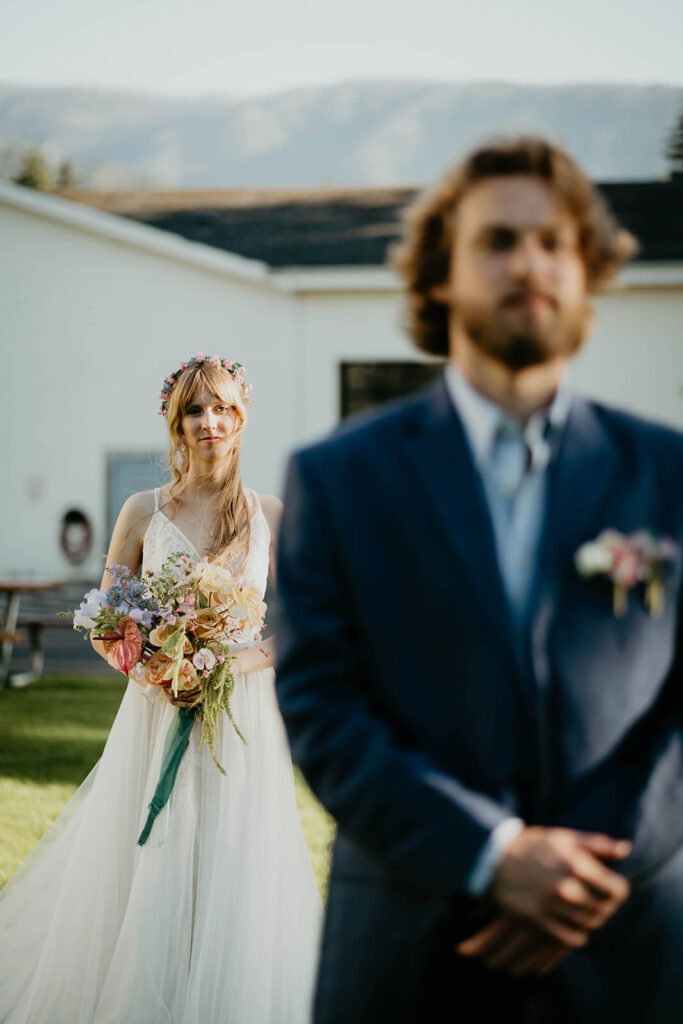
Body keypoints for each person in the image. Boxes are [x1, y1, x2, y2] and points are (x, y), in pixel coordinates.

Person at [274, 138, 683, 1023]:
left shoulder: (667, 472)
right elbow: (320, 703)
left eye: (553, 243)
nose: (527, 262)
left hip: (627, 957)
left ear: (587, 275)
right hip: (411, 949)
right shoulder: (338, 478)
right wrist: (493, 856)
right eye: (496, 240)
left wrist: (577, 878)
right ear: (438, 278)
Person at [0, 355, 322, 1024]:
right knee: (155, 857)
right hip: (153, 712)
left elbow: (298, 626)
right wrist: (155, 666)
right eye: (196, 410)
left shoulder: (271, 514)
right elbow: (100, 622)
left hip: (243, 721)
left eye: (224, 408)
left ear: (242, 418)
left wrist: (222, 668)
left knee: (234, 861)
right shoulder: (141, 511)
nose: (212, 422)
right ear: (175, 422)